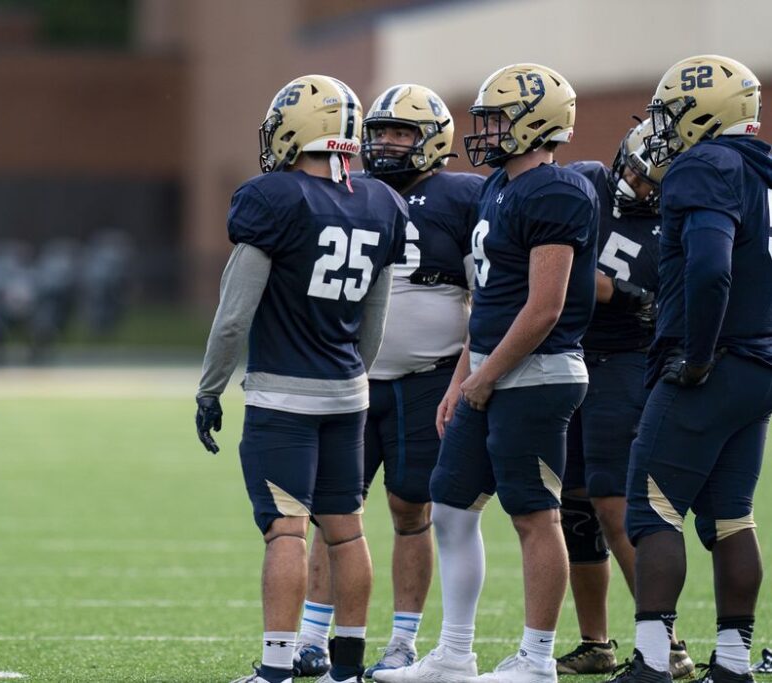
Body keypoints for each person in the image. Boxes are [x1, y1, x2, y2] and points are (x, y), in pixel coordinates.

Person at [376, 62, 597, 683]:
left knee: (534, 515)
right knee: (450, 507)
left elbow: (544, 307)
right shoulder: (499, 185)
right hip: (491, 371)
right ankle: (455, 653)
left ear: (538, 122)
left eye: (500, 119)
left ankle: (536, 659)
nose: (488, 130)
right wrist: (462, 380)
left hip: (538, 373)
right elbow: (493, 300)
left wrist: (483, 375)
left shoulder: (555, 190)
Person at [194, 74, 407, 683]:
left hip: (284, 393)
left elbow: (233, 316)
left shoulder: (273, 198)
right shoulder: (382, 202)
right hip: (349, 391)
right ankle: (349, 667)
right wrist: (353, 380)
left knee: (287, 533)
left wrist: (210, 389)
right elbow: (375, 320)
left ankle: (277, 668)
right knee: (346, 533)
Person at [290, 84, 483, 679]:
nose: (387, 144)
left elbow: (485, 296)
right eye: (380, 133)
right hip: (353, 376)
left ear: (434, 140)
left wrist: (465, 375)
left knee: (409, 506)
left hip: (427, 378)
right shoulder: (353, 191)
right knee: (332, 510)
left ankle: (403, 640)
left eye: (402, 133)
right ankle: (311, 637)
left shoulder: (461, 196)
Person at [610, 54, 772, 683]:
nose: (661, 127)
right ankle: (731, 662)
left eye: (671, 113)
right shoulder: (761, 169)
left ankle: (653, 661)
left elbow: (710, 267)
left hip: (716, 358)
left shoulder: (706, 164)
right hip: (758, 365)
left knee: (653, 508)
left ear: (706, 113)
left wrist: (699, 354)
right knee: (731, 514)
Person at [554, 121, 694, 678]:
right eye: (633, 170)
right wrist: (612, 289)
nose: (635, 183)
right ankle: (597, 643)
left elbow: (661, 298)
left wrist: (622, 293)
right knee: (574, 508)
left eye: (648, 179)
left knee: (613, 503)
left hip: (625, 364)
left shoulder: (673, 229)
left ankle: (667, 643)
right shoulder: (585, 183)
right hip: (572, 356)